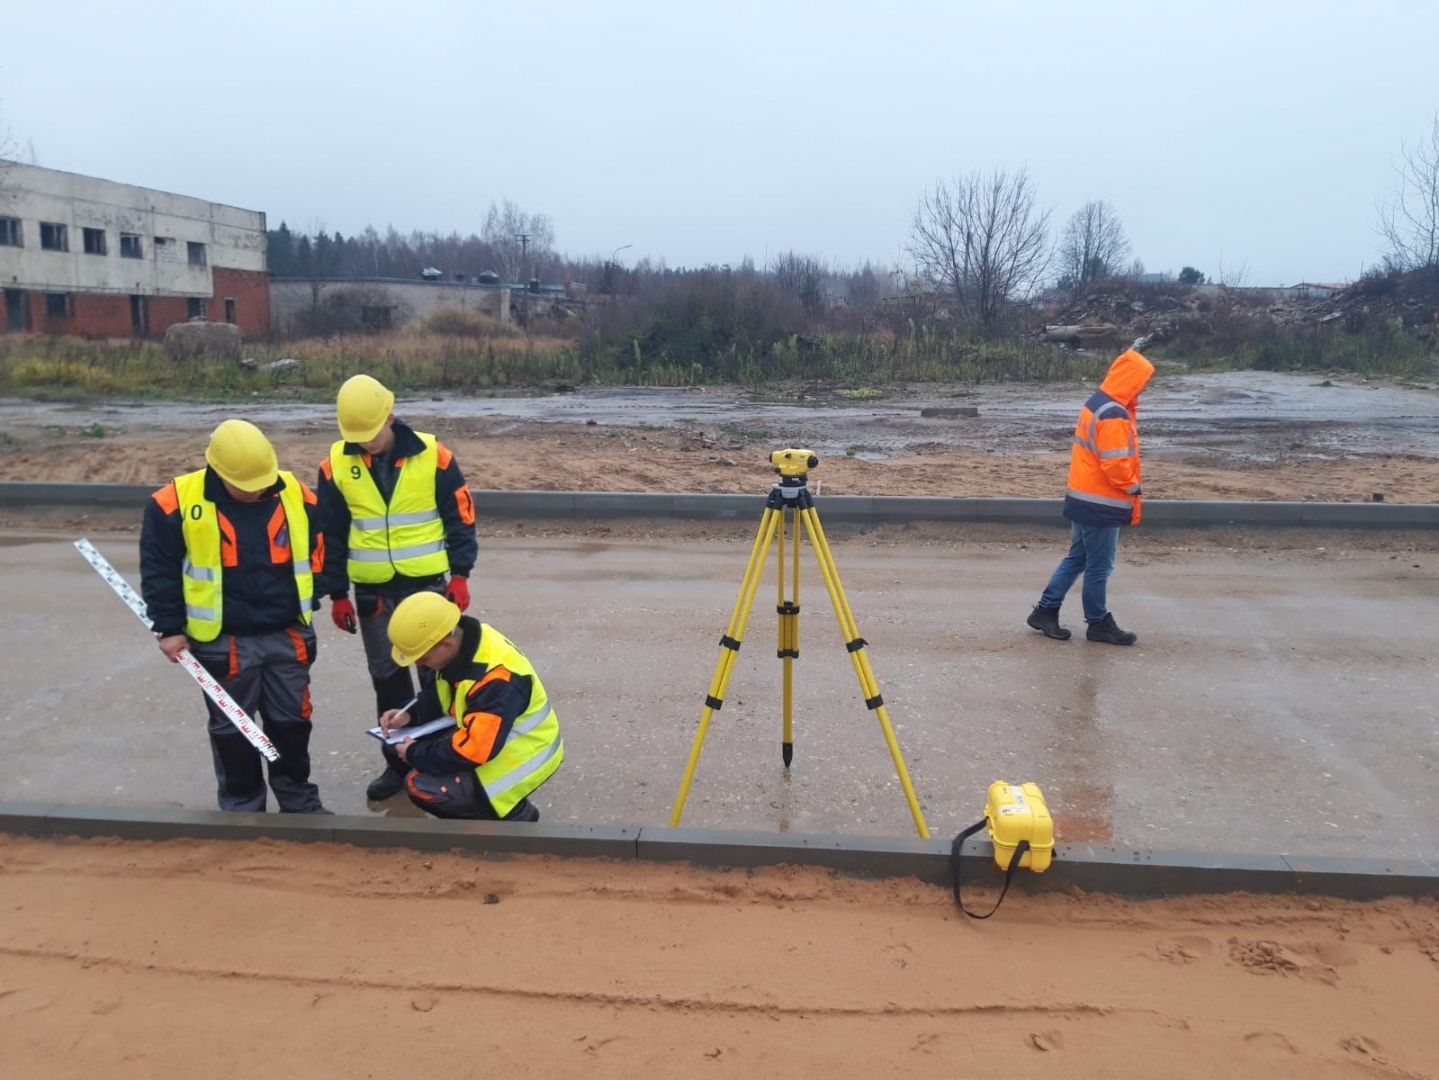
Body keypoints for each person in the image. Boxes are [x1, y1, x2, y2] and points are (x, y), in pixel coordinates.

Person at [139, 419, 330, 812]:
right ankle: (243, 806)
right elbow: (159, 569)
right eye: (244, 484)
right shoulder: (173, 503)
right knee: (232, 732)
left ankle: (297, 798)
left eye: (261, 481)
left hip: (285, 633)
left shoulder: (294, 492)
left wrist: (320, 592)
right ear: (219, 471)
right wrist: (169, 628)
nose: (255, 489)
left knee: (292, 723)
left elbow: (322, 543)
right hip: (221, 642)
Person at [315, 374, 478, 802]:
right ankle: (396, 764)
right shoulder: (335, 466)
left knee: (438, 679)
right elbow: (328, 533)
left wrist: (460, 575)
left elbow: (460, 519)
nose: (366, 443)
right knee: (387, 680)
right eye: (358, 437)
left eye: (371, 434)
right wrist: (335, 593)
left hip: (427, 589)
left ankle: (441, 762)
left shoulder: (435, 457)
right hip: (372, 594)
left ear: (390, 416)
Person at [379, 591, 562, 822]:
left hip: (525, 755)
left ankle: (517, 818)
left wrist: (416, 753)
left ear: (446, 644)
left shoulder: (496, 680)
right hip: (493, 736)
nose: (418, 663)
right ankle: (473, 806)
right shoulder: (462, 645)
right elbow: (442, 697)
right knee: (393, 745)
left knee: (420, 786)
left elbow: (474, 749)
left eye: (422, 659)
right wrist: (409, 715)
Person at [1027, 344, 1155, 646]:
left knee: (1078, 558)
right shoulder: (1114, 413)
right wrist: (1132, 485)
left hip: (1084, 497)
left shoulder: (1098, 402)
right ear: (1130, 380)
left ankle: (1046, 610)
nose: (1143, 388)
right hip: (1102, 502)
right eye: (1142, 382)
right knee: (1099, 566)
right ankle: (1097, 622)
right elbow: (1114, 463)